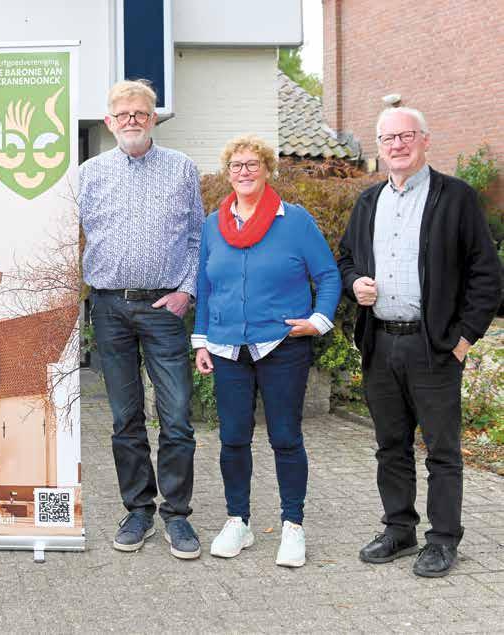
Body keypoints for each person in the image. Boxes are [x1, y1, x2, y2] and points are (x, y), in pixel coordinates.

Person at [338, 107, 501, 577]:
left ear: (425, 140)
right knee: (391, 445)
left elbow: (487, 275)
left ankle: (444, 539)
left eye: (406, 135)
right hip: (381, 343)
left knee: (442, 450)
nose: (397, 145)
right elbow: (346, 258)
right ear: (379, 146)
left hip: (435, 348)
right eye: (388, 138)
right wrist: (354, 284)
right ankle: (399, 529)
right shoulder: (368, 202)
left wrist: (464, 339)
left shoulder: (456, 197)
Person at [193, 135, 341, 568]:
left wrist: (319, 319)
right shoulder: (213, 224)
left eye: (252, 164)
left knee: (285, 437)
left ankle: (293, 525)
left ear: (267, 169)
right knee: (233, 438)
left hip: (282, 346)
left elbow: (328, 275)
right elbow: (205, 285)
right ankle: (238, 521)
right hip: (227, 347)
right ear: (228, 173)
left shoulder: (294, 221)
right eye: (236, 165)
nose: (244, 172)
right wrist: (201, 339)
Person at [79, 79, 205, 557]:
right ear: (109, 122)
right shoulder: (89, 174)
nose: (131, 120)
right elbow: (68, 235)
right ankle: (138, 510)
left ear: (153, 119)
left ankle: (177, 515)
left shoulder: (181, 168)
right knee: (124, 417)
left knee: (176, 417)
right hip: (109, 307)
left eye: (140, 113)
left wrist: (186, 291)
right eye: (123, 114)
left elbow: (197, 237)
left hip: (163, 308)